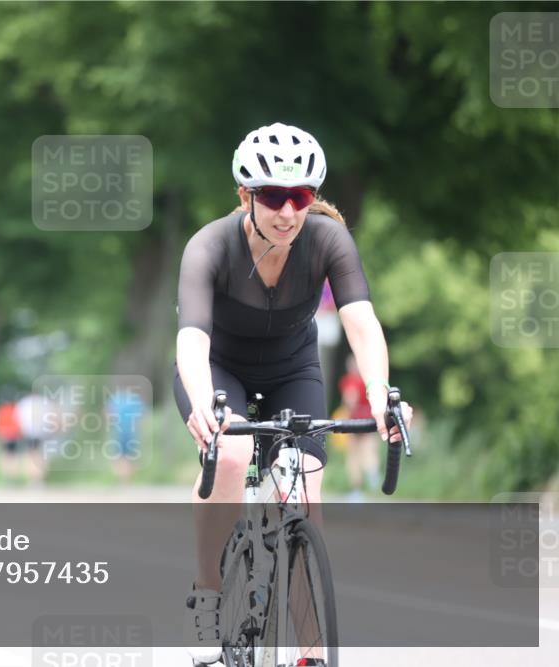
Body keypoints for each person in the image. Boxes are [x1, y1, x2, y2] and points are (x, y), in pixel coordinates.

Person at [173, 122, 413, 665]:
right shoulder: (209, 246)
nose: (287, 211)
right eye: (273, 197)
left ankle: (310, 653)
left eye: (300, 197)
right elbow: (191, 340)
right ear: (245, 196)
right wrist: (204, 405)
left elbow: (361, 321)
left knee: (302, 490)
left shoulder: (327, 240)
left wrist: (379, 392)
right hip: (217, 369)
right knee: (231, 454)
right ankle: (208, 593)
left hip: (292, 369)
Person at [338, 355, 381, 501]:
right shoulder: (368, 380)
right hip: (369, 420)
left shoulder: (349, 380)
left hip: (354, 422)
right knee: (370, 451)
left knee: (353, 457)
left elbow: (350, 399)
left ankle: (357, 490)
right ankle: (373, 476)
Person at [105, 388, 146, 483]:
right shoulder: (135, 399)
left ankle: (122, 478)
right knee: (130, 456)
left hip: (119, 432)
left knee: (119, 456)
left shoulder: (115, 398)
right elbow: (142, 416)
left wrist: (109, 426)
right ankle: (126, 479)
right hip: (132, 432)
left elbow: (108, 413)